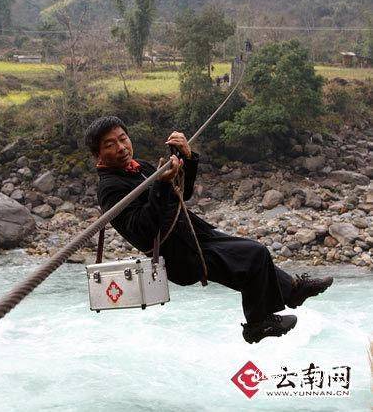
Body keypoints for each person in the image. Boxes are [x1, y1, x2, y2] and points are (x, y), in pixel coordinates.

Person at [84, 116, 333, 344]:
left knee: (254, 259)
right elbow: (143, 229)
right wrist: (161, 185)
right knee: (254, 253)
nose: (121, 147)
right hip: (181, 254)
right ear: (98, 154)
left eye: (122, 139)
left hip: (195, 235)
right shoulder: (110, 188)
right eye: (109, 145)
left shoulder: (142, 168)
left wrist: (187, 158)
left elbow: (184, 192)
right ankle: (258, 324)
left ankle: (292, 292)